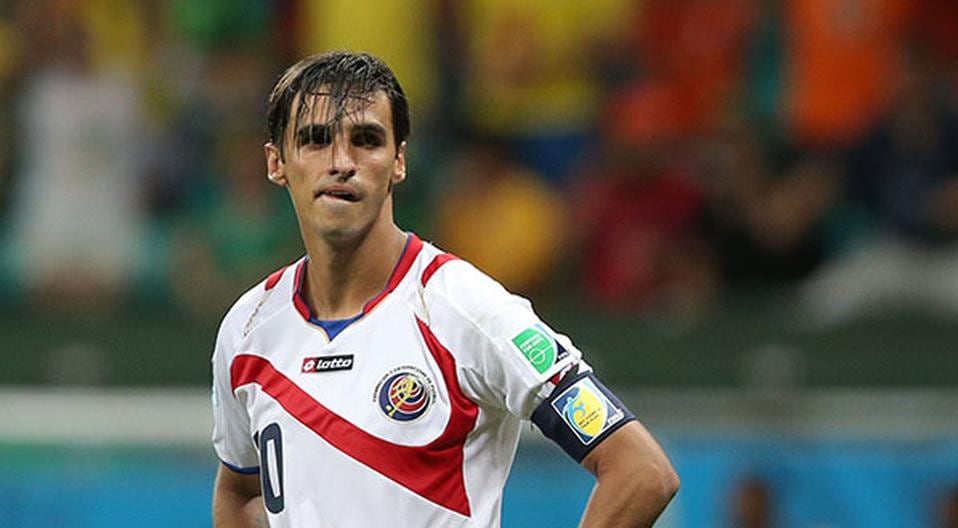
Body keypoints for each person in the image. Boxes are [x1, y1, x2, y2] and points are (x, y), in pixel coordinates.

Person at [210, 51, 679, 527]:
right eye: (315, 140)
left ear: (398, 162)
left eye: (366, 140)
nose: (342, 162)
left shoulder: (466, 308)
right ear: (276, 162)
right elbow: (241, 492)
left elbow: (641, 471)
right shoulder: (248, 329)